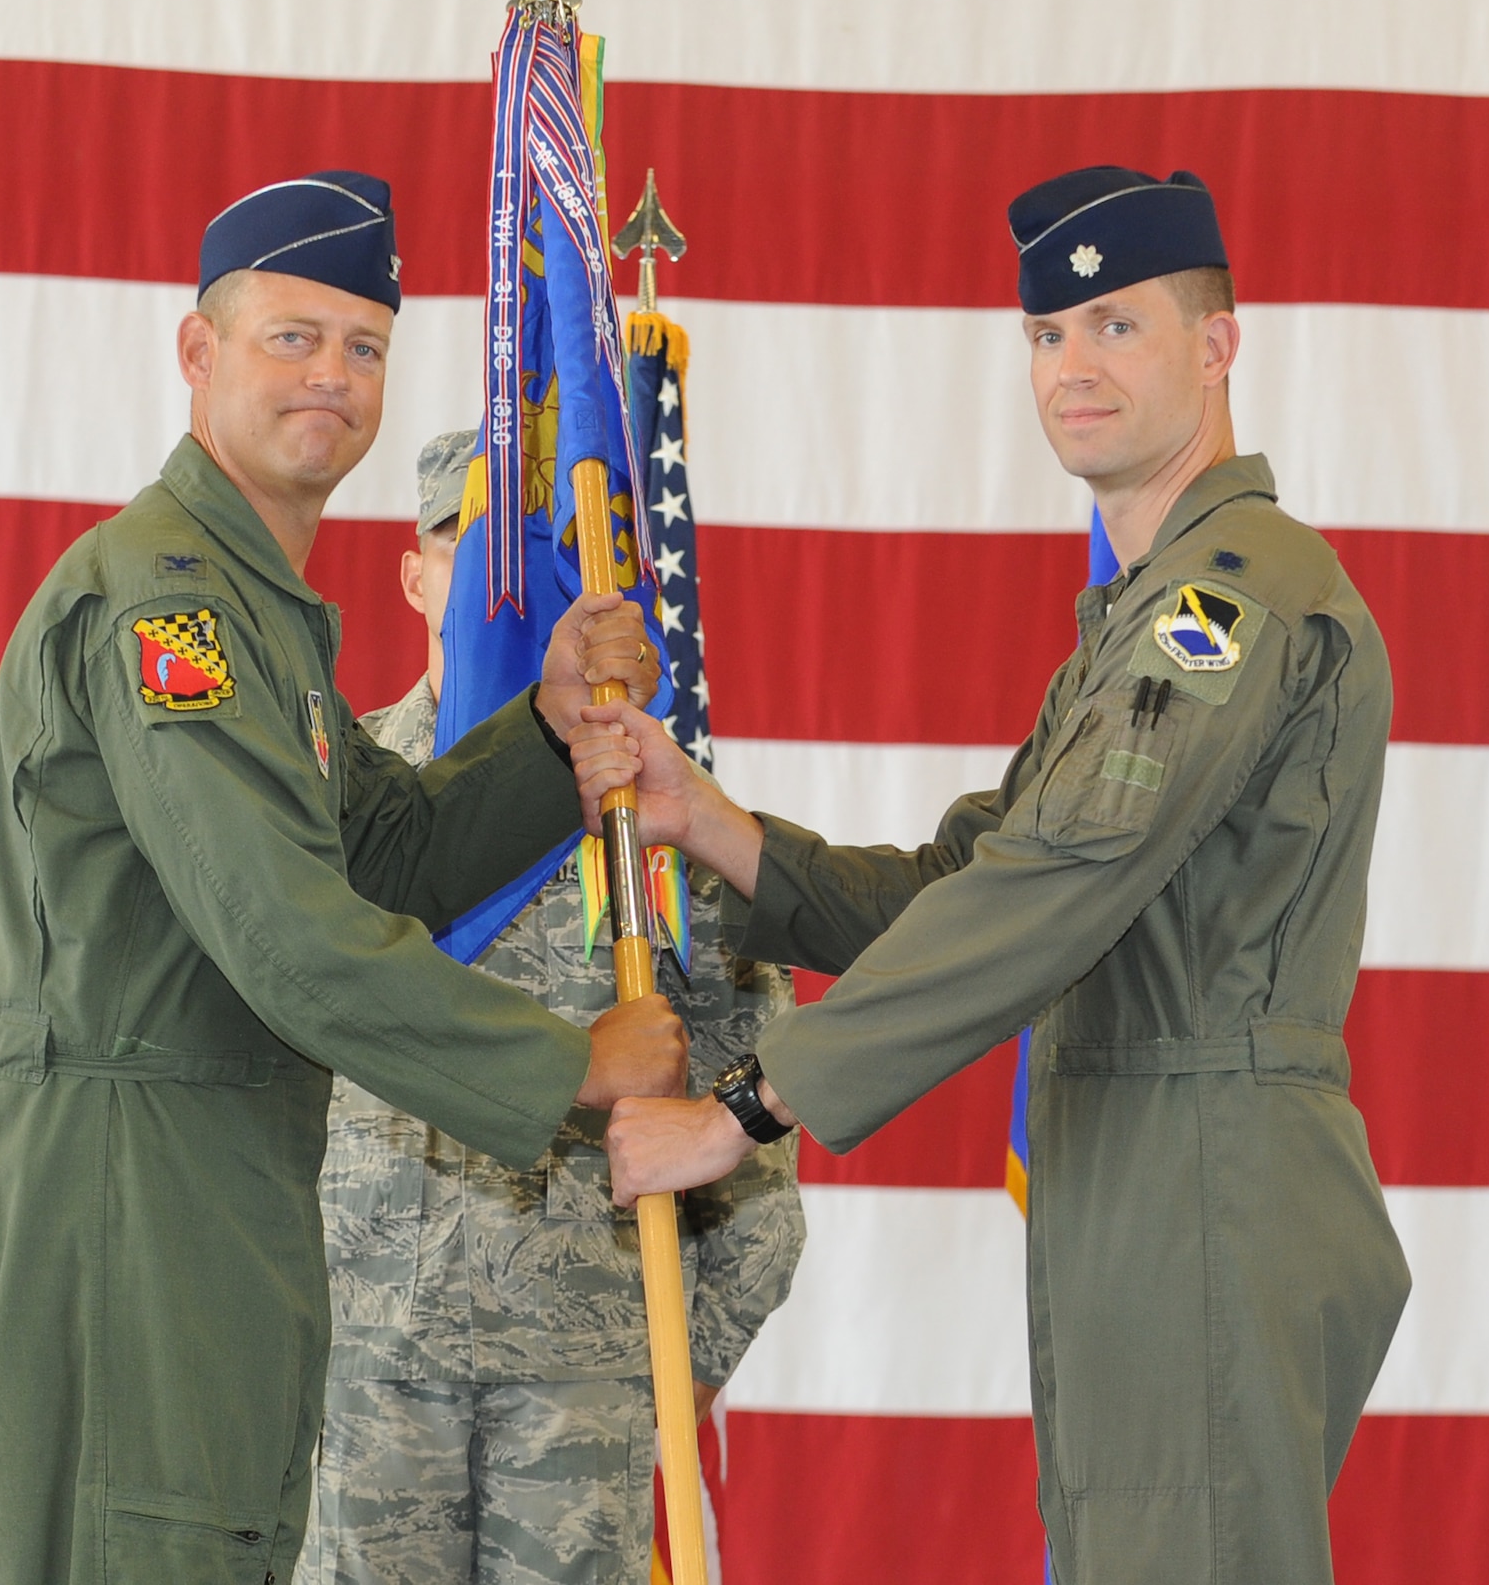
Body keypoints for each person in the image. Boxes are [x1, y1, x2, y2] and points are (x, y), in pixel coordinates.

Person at [587, 166, 1413, 1585]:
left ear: (1218, 343)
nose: (1073, 368)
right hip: (1146, 1168)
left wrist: (746, 1110)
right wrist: (711, 825)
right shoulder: (1140, 613)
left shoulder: (1231, 599)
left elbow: (1054, 884)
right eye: (1046, 335)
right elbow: (965, 881)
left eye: (1115, 326)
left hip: (1202, 1169)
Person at [0, 172, 689, 1585]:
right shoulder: (170, 605)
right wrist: (568, 1064)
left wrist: (547, 731)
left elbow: (381, 851)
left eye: (365, 347)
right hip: (127, 1187)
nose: (331, 377)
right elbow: (284, 932)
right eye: (291, 337)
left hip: (211, 1183)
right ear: (198, 352)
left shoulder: (258, 611)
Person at [292, 428, 805, 1585]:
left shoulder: (653, 813)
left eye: (539, 557)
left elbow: (757, 1108)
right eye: (468, 546)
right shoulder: (330, 799)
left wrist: (665, 1369)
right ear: (416, 573)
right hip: (362, 1370)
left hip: (585, 1383)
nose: (499, 584)